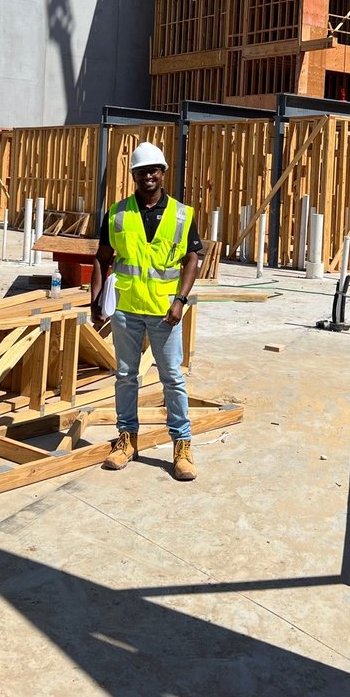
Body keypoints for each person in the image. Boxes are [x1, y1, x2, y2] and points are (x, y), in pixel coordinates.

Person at [90, 142, 202, 481]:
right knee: (126, 376)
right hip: (126, 309)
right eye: (141, 171)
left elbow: (193, 258)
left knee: (172, 378)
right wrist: (96, 300)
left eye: (154, 170)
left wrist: (180, 299)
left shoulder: (183, 214)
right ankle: (126, 439)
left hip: (165, 311)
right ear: (134, 175)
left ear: (163, 173)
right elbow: (102, 256)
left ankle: (181, 445)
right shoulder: (118, 213)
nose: (148, 175)